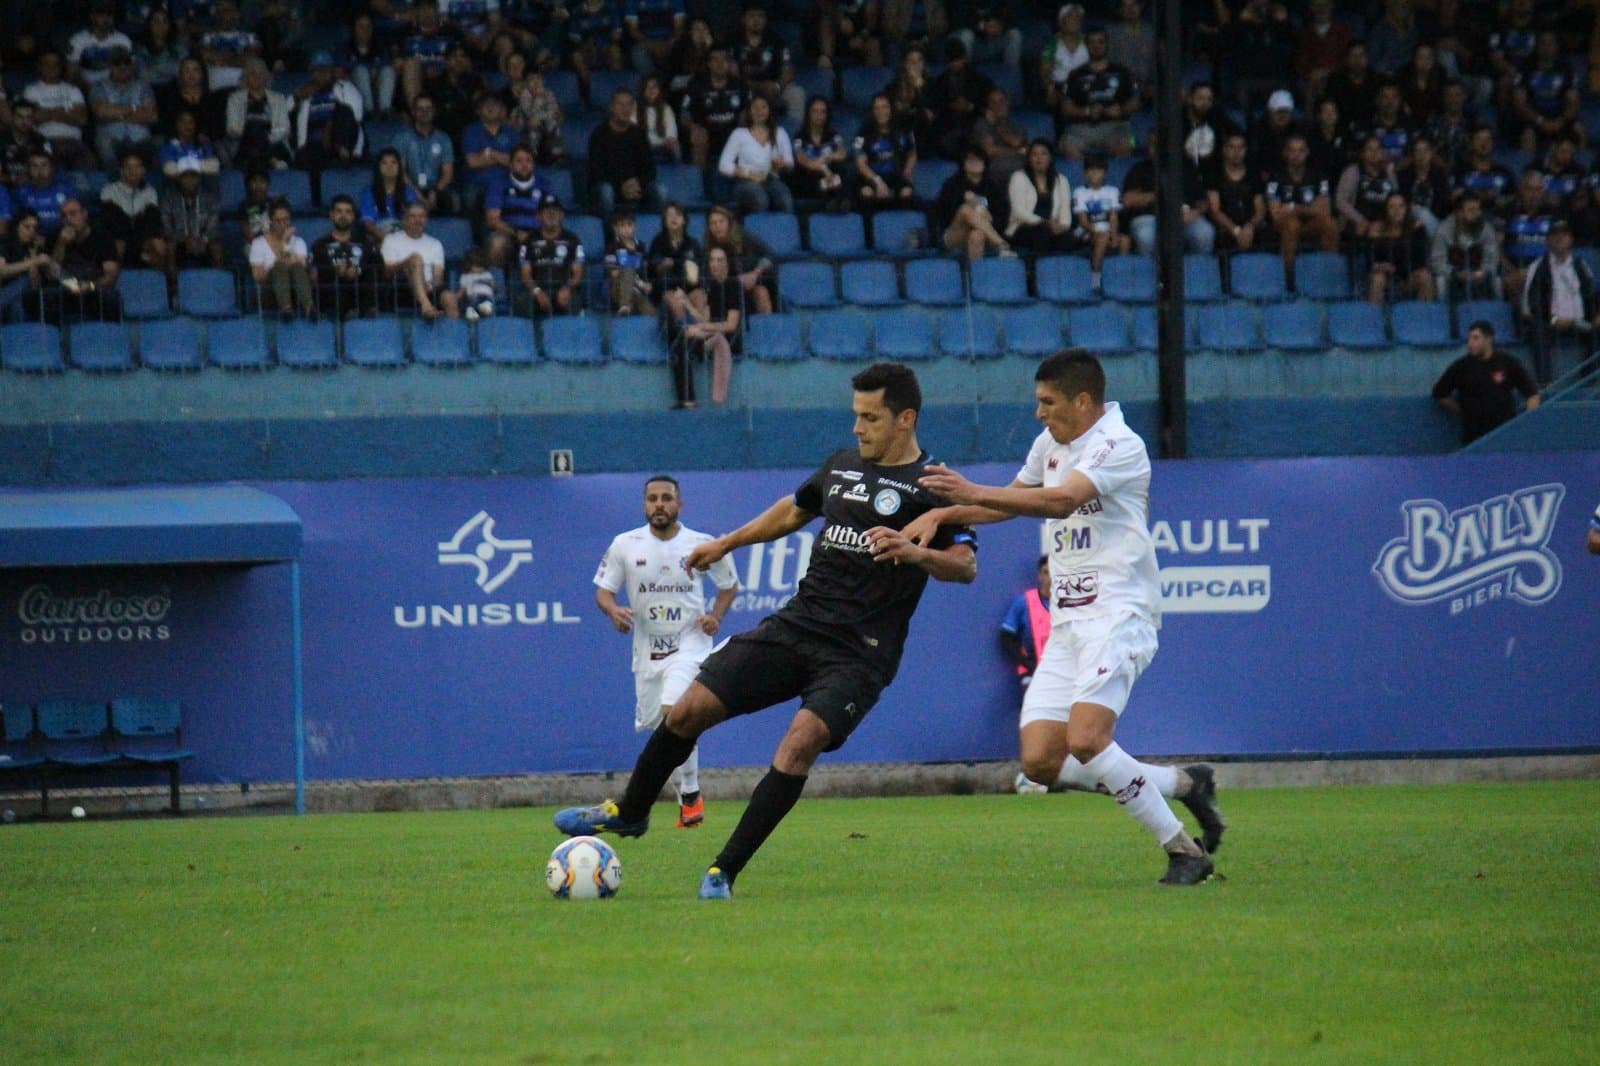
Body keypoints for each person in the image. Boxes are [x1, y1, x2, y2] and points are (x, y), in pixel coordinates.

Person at [554, 363, 980, 899]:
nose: (857, 428)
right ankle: (632, 810)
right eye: (855, 416)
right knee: (686, 710)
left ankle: (722, 871)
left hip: (859, 654)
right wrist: (726, 543)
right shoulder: (842, 465)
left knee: (800, 743)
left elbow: (965, 566)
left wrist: (918, 555)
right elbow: (792, 512)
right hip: (798, 625)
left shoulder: (936, 485)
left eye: (870, 418)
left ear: (906, 419)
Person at [908, 349, 1226, 885]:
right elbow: (1013, 501)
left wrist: (969, 490)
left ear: (1082, 401)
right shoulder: (1050, 444)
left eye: (1047, 402)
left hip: (1118, 613)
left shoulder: (1118, 444)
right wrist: (948, 512)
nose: (1039, 413)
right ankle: (1184, 784)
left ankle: (1183, 851)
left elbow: (1061, 502)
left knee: (1087, 740)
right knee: (1040, 762)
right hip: (1069, 621)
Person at [1431, 320, 1541, 444]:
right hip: (1474, 437)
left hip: (1505, 435)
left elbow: (1532, 394)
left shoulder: (1508, 363)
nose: (1470, 343)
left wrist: (1527, 421)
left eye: (1475, 338)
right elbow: (1439, 393)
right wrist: (1463, 411)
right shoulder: (1461, 367)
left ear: (1489, 339)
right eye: (1469, 339)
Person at [1521, 220, 1599, 383]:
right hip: (1550, 322)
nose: (1560, 238)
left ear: (1571, 239)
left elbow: (1591, 295)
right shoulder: (1539, 267)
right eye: (1555, 235)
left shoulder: (1580, 265)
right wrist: (1554, 319)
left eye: (1564, 234)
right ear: (1548, 241)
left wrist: (1597, 314)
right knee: (1538, 331)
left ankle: (1589, 381)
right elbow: (1532, 304)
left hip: (1578, 322)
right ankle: (1545, 383)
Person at [667, 244, 739, 408]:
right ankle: (687, 400)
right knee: (680, 339)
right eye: (712, 260)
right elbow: (703, 319)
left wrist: (701, 330)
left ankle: (688, 400)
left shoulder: (733, 286)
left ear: (727, 263)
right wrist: (687, 304)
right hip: (711, 332)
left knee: (683, 344)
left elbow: (731, 325)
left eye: (719, 260)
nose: (715, 264)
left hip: (729, 337)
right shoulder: (711, 286)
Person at [1059, 26, 1137, 160]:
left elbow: (1135, 102)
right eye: (1092, 42)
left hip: (1116, 126)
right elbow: (1066, 107)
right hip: (1082, 127)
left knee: (1128, 144)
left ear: (1107, 44)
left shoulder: (1122, 71)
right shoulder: (1075, 74)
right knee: (1067, 147)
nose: (1096, 46)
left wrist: (1121, 110)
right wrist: (1086, 111)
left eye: (1100, 42)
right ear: (1086, 45)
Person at [588, 88, 664, 222]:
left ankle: (656, 231)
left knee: (660, 190)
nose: (625, 109)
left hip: (635, 187)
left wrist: (638, 183)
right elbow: (596, 172)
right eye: (620, 104)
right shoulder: (599, 134)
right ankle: (610, 232)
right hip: (610, 187)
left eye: (629, 104)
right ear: (612, 108)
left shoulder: (639, 134)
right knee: (606, 191)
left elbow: (650, 168)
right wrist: (621, 187)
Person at [716, 96, 794, 216]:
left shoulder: (780, 132)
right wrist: (749, 174)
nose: (759, 111)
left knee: (785, 200)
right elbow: (723, 165)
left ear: (769, 110)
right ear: (749, 111)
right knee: (760, 199)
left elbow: (789, 162)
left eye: (763, 107)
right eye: (755, 108)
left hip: (770, 179)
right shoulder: (739, 134)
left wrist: (782, 165)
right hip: (745, 181)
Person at [49, 198, 122, 324]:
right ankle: (53, 334)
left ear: (84, 214)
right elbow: (52, 274)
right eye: (64, 216)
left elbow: (111, 276)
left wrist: (88, 286)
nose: (68, 219)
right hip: (66, 287)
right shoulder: (55, 237)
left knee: (111, 298)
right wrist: (61, 243)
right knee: (49, 296)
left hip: (94, 287)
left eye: (73, 213)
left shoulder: (103, 237)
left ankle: (110, 333)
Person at [934, 145, 1011, 262]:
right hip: (955, 234)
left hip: (985, 233)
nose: (975, 163)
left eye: (979, 160)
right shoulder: (952, 184)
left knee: (977, 235)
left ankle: (975, 273)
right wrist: (967, 206)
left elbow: (1001, 215)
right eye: (970, 160)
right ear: (963, 164)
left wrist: (988, 216)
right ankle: (1001, 244)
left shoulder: (992, 187)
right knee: (966, 210)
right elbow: (944, 215)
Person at [381, 202, 456, 317]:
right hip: (402, 290)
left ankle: (453, 327)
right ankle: (426, 306)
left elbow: (438, 277)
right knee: (415, 259)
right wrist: (408, 263)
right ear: (405, 220)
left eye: (422, 216)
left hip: (429, 288)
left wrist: (428, 286)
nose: (418, 220)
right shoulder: (391, 240)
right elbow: (388, 271)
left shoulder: (435, 244)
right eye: (413, 216)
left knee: (449, 298)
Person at [515, 196, 585, 317]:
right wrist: (537, 292)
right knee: (523, 301)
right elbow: (525, 273)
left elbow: (578, 273)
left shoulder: (573, 239)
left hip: (563, 288)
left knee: (573, 302)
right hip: (538, 289)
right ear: (538, 216)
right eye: (547, 212)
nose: (551, 215)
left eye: (555, 212)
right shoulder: (529, 240)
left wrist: (567, 289)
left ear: (562, 215)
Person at [1006, 139, 1077, 255]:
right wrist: (1044, 223)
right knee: (1042, 233)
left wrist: (1063, 226)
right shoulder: (1019, 177)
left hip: (1052, 227)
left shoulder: (1061, 180)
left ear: (1050, 158)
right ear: (1029, 158)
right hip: (1024, 227)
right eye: (1034, 154)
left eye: (1044, 154)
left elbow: (1065, 210)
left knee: (1067, 237)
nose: (1039, 158)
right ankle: (1036, 266)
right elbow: (1018, 211)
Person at [311, 194, 377, 320]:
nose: (343, 216)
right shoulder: (319, 245)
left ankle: (367, 309)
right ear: (331, 215)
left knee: (372, 265)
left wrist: (357, 270)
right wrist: (336, 272)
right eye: (339, 211)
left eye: (348, 212)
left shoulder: (364, 243)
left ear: (353, 216)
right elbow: (317, 275)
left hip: (358, 291)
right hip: (332, 295)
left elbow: (369, 266)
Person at [249, 198, 315, 319]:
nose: (283, 224)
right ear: (271, 221)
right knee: (279, 267)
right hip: (269, 293)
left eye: (286, 220)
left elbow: (302, 267)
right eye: (278, 221)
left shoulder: (299, 242)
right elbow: (258, 277)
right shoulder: (258, 243)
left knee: (296, 266)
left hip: (295, 292)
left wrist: (287, 250)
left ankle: (309, 307)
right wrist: (284, 244)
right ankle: (286, 309)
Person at [159, 158, 225, 278]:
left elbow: (213, 227)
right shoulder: (169, 198)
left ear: (199, 178)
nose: (190, 181)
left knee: (217, 248)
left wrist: (202, 240)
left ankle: (215, 282)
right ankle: (172, 285)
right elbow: (166, 227)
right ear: (178, 178)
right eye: (185, 177)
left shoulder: (209, 198)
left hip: (203, 241)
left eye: (193, 176)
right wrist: (183, 239)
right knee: (169, 247)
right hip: (179, 242)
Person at [99, 151, 166, 270]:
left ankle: (159, 279)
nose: (133, 170)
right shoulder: (109, 190)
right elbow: (111, 218)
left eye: (137, 167)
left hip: (141, 235)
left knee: (157, 243)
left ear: (143, 171)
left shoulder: (150, 191)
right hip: (119, 234)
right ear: (121, 171)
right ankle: (115, 277)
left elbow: (151, 218)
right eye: (128, 167)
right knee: (117, 239)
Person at [1430, 194, 1503, 301]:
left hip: (1480, 277)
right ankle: (1444, 310)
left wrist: (1483, 272)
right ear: (1459, 213)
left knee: (1497, 280)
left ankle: (1495, 309)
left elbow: (1492, 258)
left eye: (1478, 210)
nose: (1476, 214)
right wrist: (1456, 274)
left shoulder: (1486, 229)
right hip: (1453, 278)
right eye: (1471, 210)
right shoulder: (1443, 230)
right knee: (1440, 281)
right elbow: (1437, 263)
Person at [393, 96, 459, 216]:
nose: (425, 112)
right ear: (413, 112)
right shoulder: (402, 138)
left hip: (436, 188)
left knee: (454, 201)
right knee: (403, 200)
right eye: (420, 109)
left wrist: (434, 191)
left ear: (434, 112)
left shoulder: (443, 139)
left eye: (428, 109)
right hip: (410, 187)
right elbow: (400, 172)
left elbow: (448, 174)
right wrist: (416, 193)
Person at [1365, 192, 1434, 305]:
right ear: (1385, 209)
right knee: (1378, 279)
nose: (1397, 210)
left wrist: (1395, 268)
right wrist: (1380, 266)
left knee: (1425, 276)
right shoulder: (1377, 229)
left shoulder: (1417, 228)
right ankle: (1374, 315)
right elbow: (1370, 260)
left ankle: (1424, 314)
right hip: (1384, 277)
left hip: (1408, 277)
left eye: (1401, 206)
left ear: (1407, 208)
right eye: (1392, 207)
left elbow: (1421, 261)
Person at [851, 93, 916, 209]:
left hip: (895, 176)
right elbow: (861, 165)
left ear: (891, 109)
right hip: (871, 177)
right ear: (872, 111)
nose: (881, 112)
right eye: (877, 108)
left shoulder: (903, 129)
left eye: (885, 107)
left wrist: (907, 171)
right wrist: (878, 182)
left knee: (906, 193)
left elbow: (912, 153)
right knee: (866, 193)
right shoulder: (863, 133)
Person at [1072, 152, 1130, 280]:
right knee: (1102, 237)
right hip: (1087, 231)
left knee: (1125, 240)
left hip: (1107, 231)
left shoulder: (1112, 191)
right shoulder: (1079, 192)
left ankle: (1120, 275)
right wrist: (1097, 232)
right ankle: (1095, 275)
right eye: (1090, 170)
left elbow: (1113, 217)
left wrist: (1113, 236)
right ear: (1085, 173)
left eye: (1098, 170)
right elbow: (1083, 221)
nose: (1094, 174)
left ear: (1105, 173)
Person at [786, 95, 848, 208]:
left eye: (822, 112)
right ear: (808, 114)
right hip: (809, 178)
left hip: (829, 176)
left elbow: (842, 154)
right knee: (813, 176)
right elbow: (803, 160)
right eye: (815, 111)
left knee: (842, 170)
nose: (819, 116)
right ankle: (835, 200)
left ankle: (835, 201)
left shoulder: (833, 135)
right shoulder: (800, 137)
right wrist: (824, 169)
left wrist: (827, 157)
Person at [604, 211, 654, 317]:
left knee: (651, 313)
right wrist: (629, 271)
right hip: (617, 288)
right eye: (622, 225)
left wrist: (646, 284)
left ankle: (627, 310)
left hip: (638, 289)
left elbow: (646, 269)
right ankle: (625, 305)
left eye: (629, 225)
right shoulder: (611, 247)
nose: (626, 229)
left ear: (634, 226)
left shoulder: (641, 246)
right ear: (615, 228)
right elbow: (613, 273)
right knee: (628, 269)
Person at [453, 247, 499, 321]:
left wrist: (489, 283)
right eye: (476, 266)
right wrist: (455, 297)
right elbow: (462, 290)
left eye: (481, 266)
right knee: (469, 304)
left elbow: (495, 287)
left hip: (486, 296)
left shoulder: (487, 274)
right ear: (469, 265)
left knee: (487, 303)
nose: (479, 269)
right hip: (472, 297)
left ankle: (484, 309)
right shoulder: (465, 276)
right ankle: (471, 312)